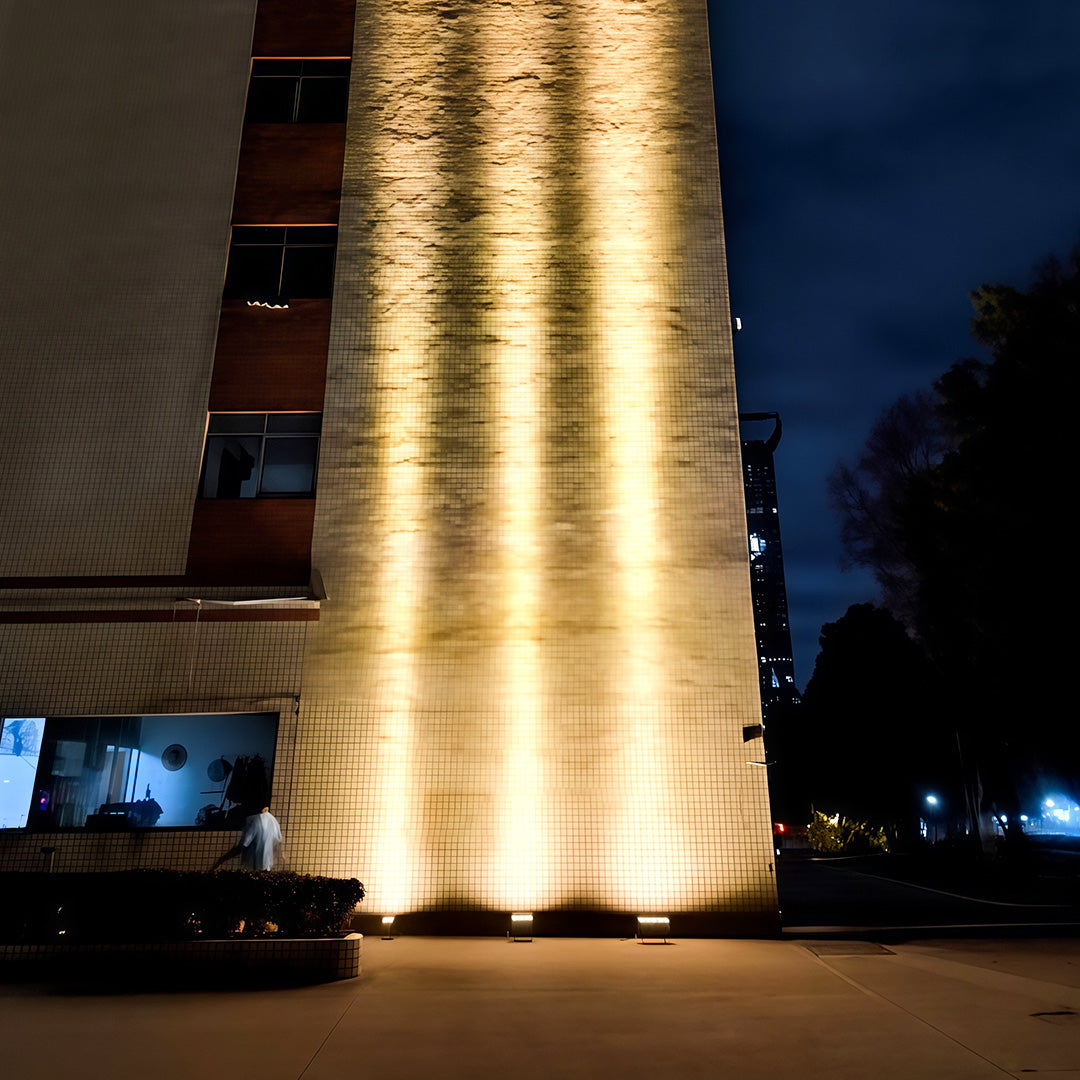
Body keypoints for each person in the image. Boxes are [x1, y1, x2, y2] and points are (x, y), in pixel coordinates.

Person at [213, 806, 282, 871]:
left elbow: (243, 844)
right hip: (267, 866)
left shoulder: (253, 820)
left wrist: (222, 859)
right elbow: (277, 842)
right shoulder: (273, 820)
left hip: (254, 866)